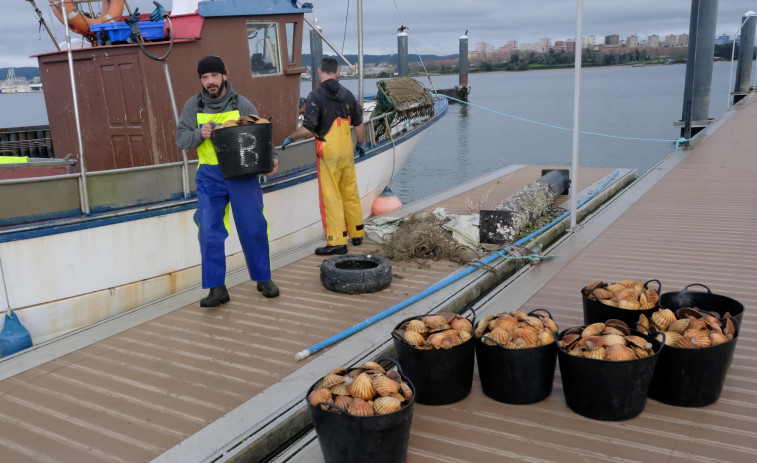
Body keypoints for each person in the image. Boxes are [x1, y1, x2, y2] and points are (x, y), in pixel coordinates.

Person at [176, 55, 280, 306]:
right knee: (209, 232)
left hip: (243, 174)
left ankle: (263, 278)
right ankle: (217, 288)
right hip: (210, 177)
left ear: (224, 76)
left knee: (254, 227)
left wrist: (272, 157)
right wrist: (199, 134)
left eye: (214, 76)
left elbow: (260, 130)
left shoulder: (241, 103)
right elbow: (181, 138)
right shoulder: (194, 106)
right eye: (204, 77)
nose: (210, 82)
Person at [282, 57, 367, 256]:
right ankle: (356, 233)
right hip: (347, 152)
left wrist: (290, 138)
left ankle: (337, 241)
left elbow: (306, 130)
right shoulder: (348, 94)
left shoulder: (315, 96)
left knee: (331, 196)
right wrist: (360, 145)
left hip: (328, 152)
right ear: (337, 72)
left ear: (320, 71)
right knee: (350, 191)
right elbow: (359, 124)